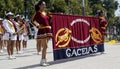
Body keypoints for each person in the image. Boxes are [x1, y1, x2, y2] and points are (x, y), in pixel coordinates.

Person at [31, 0, 52, 66]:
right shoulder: (37, 13)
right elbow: (31, 21)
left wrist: (50, 16)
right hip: (42, 31)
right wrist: (37, 26)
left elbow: (48, 21)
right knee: (45, 46)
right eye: (43, 5)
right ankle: (43, 60)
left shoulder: (45, 13)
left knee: (45, 47)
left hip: (48, 30)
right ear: (40, 6)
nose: (45, 6)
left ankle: (43, 60)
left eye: (45, 5)